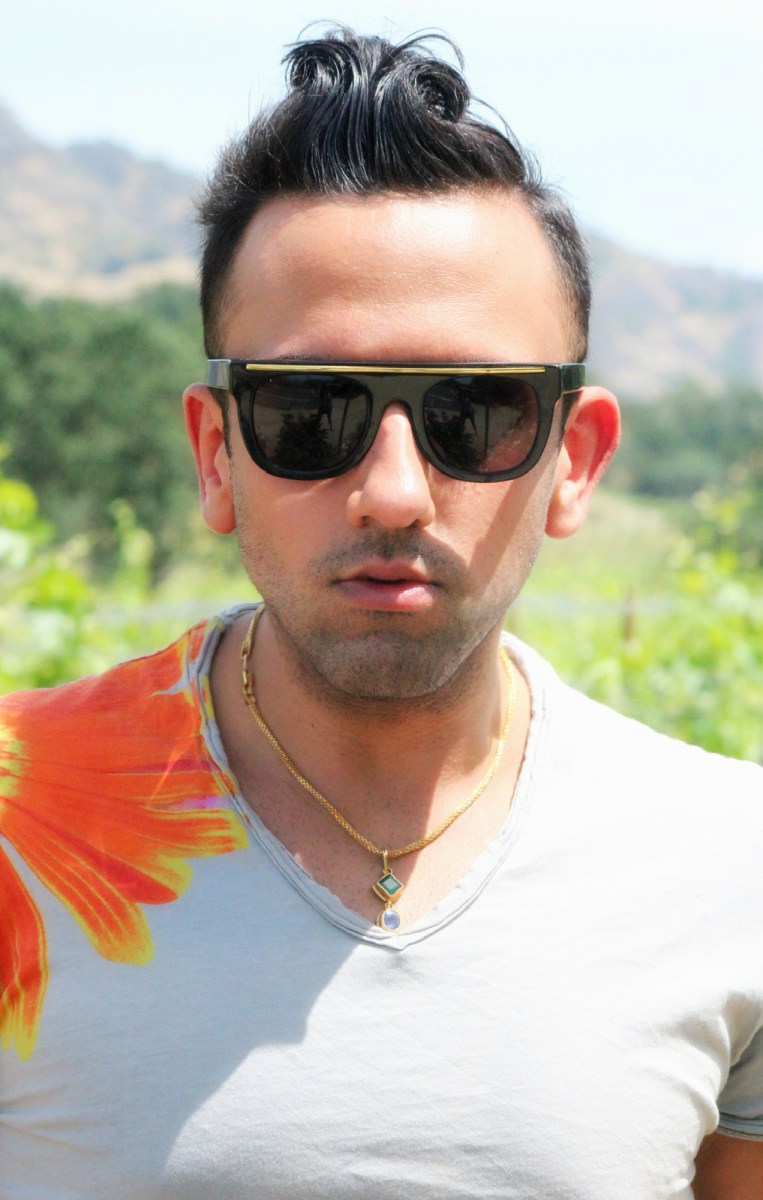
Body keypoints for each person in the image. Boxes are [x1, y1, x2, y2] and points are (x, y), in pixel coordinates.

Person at [0, 27, 761, 1200]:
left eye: (475, 413)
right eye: (310, 412)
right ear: (214, 455)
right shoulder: (16, 830)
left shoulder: (729, 865)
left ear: (573, 461)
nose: (394, 491)